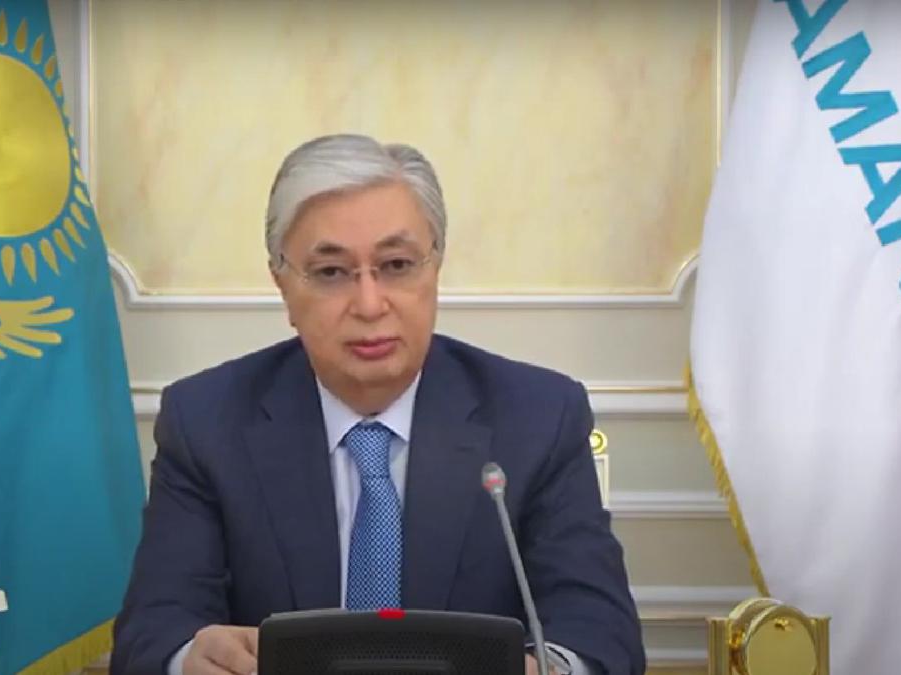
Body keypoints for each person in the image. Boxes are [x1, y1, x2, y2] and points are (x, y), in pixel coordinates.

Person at [110, 134, 645, 675]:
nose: (369, 305)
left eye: (396, 265)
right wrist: (187, 660)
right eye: (330, 272)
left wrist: (548, 670)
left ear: (435, 268)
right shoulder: (205, 422)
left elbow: (601, 635)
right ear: (282, 285)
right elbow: (153, 631)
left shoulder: (539, 418)